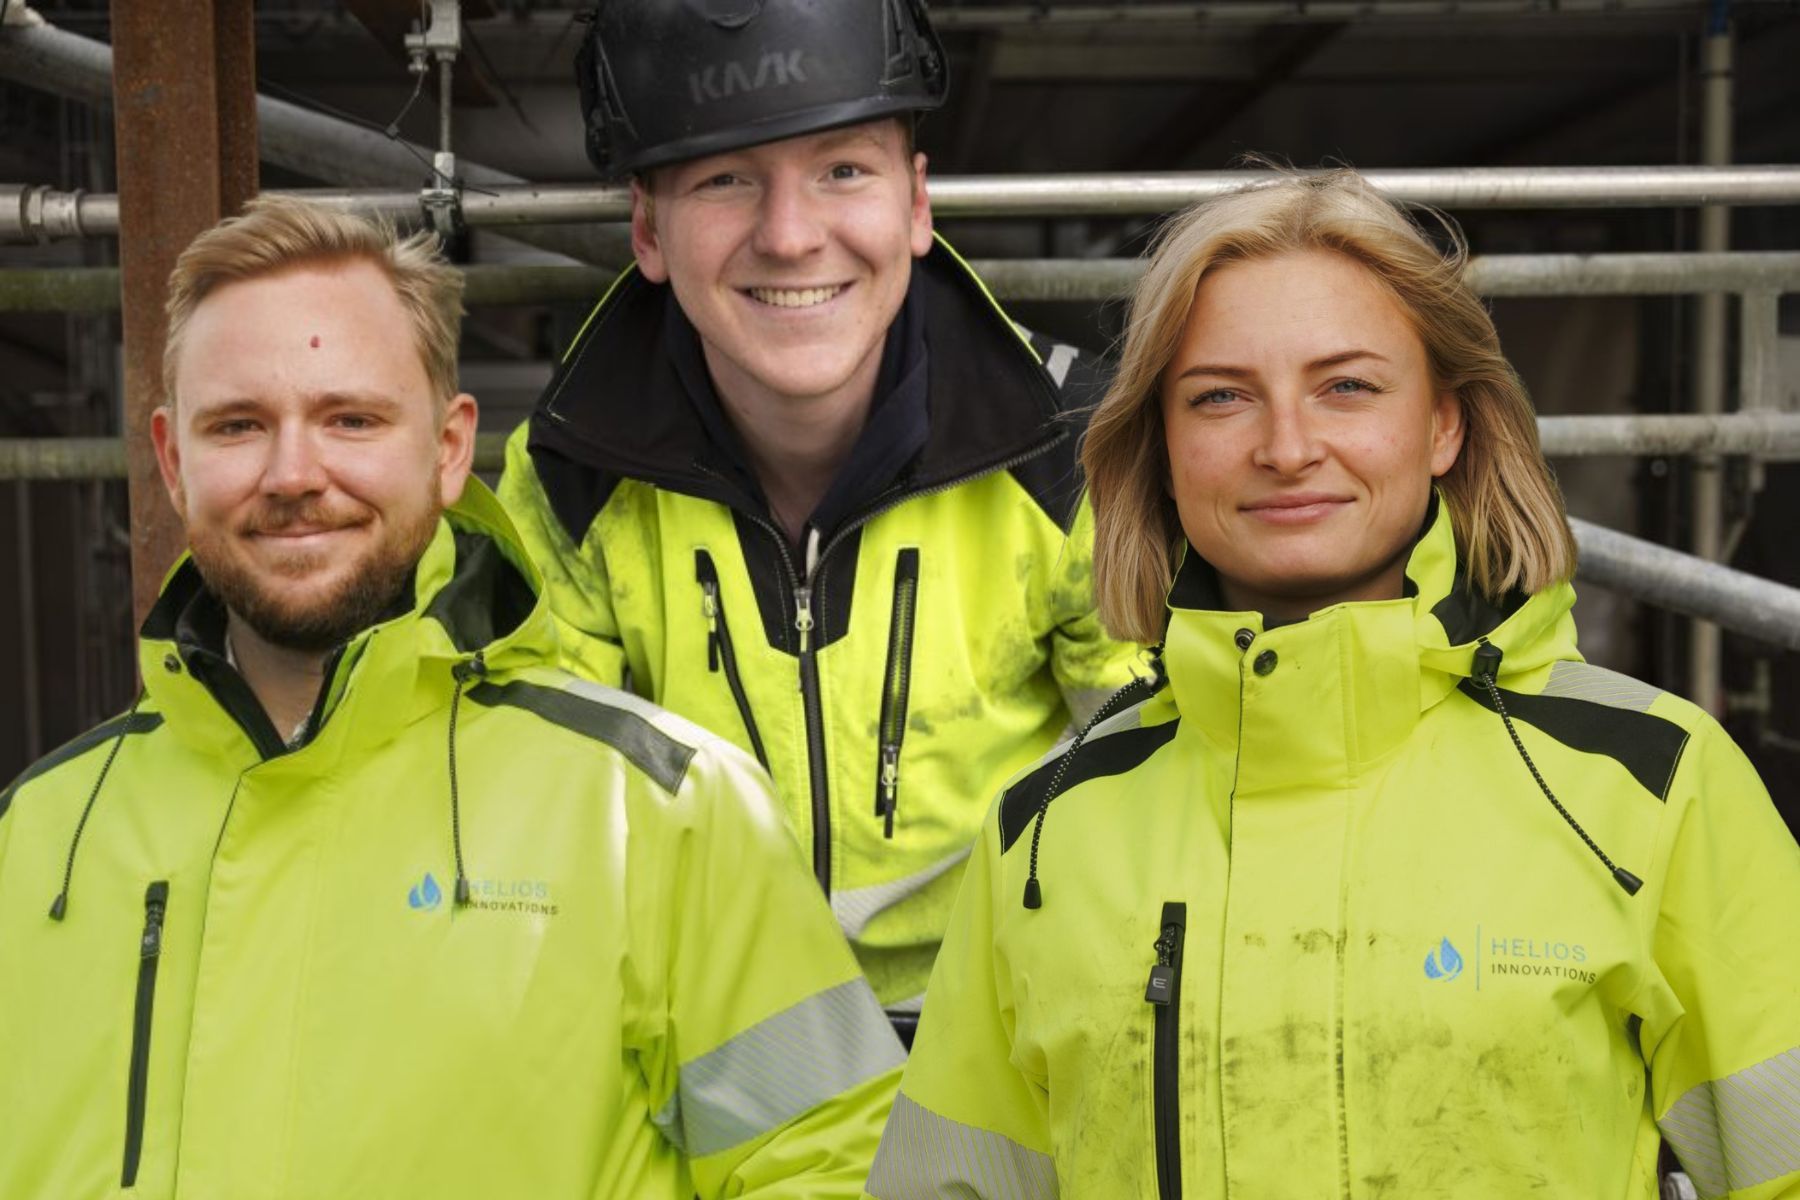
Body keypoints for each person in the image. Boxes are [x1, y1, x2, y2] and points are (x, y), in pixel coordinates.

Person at [865, 170, 1800, 1199]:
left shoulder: (1651, 787)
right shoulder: (1046, 832)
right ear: (1163, 446)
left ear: (1444, 424)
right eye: (1221, 396)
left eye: (1347, 386)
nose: (1287, 447)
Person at [0, 196, 903, 1200]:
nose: (295, 473)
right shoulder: (36, 835)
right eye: (240, 425)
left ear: (448, 448)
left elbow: (833, 1168)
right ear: (173, 461)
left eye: (350, 418)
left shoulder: (662, 812)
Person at [499, 0, 1140, 1036]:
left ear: (917, 206)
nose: (791, 236)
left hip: (1010, 1029)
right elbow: (544, 840)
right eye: (724, 179)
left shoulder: (1072, 450)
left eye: (843, 169)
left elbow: (1166, 799)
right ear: (647, 232)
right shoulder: (572, 477)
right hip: (712, 1038)